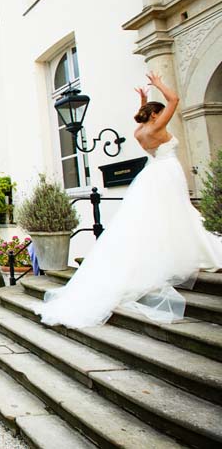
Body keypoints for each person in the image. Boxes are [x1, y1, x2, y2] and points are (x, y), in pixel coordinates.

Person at [36, 72, 222, 329]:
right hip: (167, 172)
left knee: (163, 216)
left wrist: (144, 100)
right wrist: (158, 85)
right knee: (178, 213)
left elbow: (146, 116)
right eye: (158, 112)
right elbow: (175, 99)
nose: (161, 115)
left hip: (153, 173)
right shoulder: (156, 127)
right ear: (155, 116)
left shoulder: (140, 131)